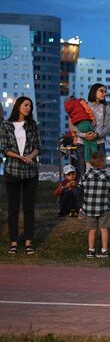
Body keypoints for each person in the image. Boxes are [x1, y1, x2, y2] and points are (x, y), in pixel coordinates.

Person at [0, 96, 41, 255]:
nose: (28, 108)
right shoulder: (6, 125)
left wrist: (31, 156)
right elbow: (4, 148)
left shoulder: (33, 125)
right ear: (18, 106)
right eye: (25, 105)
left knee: (29, 208)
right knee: (13, 208)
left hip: (31, 171)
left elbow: (38, 146)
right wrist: (19, 157)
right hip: (13, 170)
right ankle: (14, 242)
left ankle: (28, 242)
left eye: (30, 106)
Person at [80, 152, 110, 259]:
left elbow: (80, 185)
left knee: (91, 229)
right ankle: (104, 251)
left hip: (89, 207)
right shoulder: (106, 175)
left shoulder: (86, 175)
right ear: (102, 163)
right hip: (103, 208)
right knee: (104, 229)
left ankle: (90, 250)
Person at [73, 83, 110, 177]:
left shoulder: (106, 108)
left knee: (99, 175)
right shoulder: (83, 106)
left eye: (105, 91)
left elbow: (108, 127)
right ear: (94, 91)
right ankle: (83, 192)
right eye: (102, 91)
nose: (104, 94)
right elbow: (75, 126)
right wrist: (84, 135)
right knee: (83, 175)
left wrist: (97, 135)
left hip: (99, 144)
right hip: (82, 143)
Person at [64, 96, 96, 165]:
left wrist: (74, 137)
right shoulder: (80, 101)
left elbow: (71, 124)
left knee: (87, 144)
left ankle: (87, 164)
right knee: (93, 142)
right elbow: (88, 109)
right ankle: (95, 161)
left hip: (79, 127)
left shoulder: (69, 109)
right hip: (85, 122)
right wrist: (93, 118)